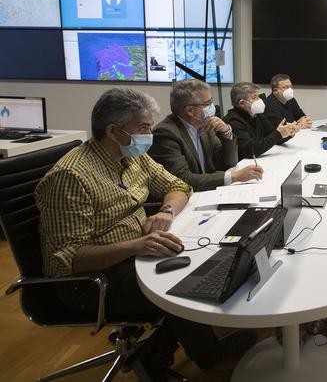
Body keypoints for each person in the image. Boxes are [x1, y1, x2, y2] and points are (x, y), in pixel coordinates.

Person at [35, 88, 256, 379]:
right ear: (113, 131)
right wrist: (135, 246)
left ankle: (153, 352)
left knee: (209, 256)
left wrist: (165, 211)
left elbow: (179, 187)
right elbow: (67, 259)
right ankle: (208, 355)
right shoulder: (72, 176)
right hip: (93, 281)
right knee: (182, 285)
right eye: (143, 128)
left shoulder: (131, 156)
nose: (149, 134)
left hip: (134, 254)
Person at [149, 79, 263, 192]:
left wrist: (226, 133)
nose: (213, 107)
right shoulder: (165, 133)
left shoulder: (204, 124)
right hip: (186, 199)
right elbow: (183, 179)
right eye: (208, 104)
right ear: (190, 110)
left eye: (211, 101)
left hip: (208, 192)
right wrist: (235, 176)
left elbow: (227, 164)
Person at [223, 82, 298, 159]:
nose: (260, 100)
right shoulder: (233, 121)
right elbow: (251, 150)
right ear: (242, 103)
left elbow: (274, 137)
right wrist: (279, 134)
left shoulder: (257, 114)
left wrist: (289, 132)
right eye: (254, 97)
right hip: (241, 166)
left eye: (258, 96)